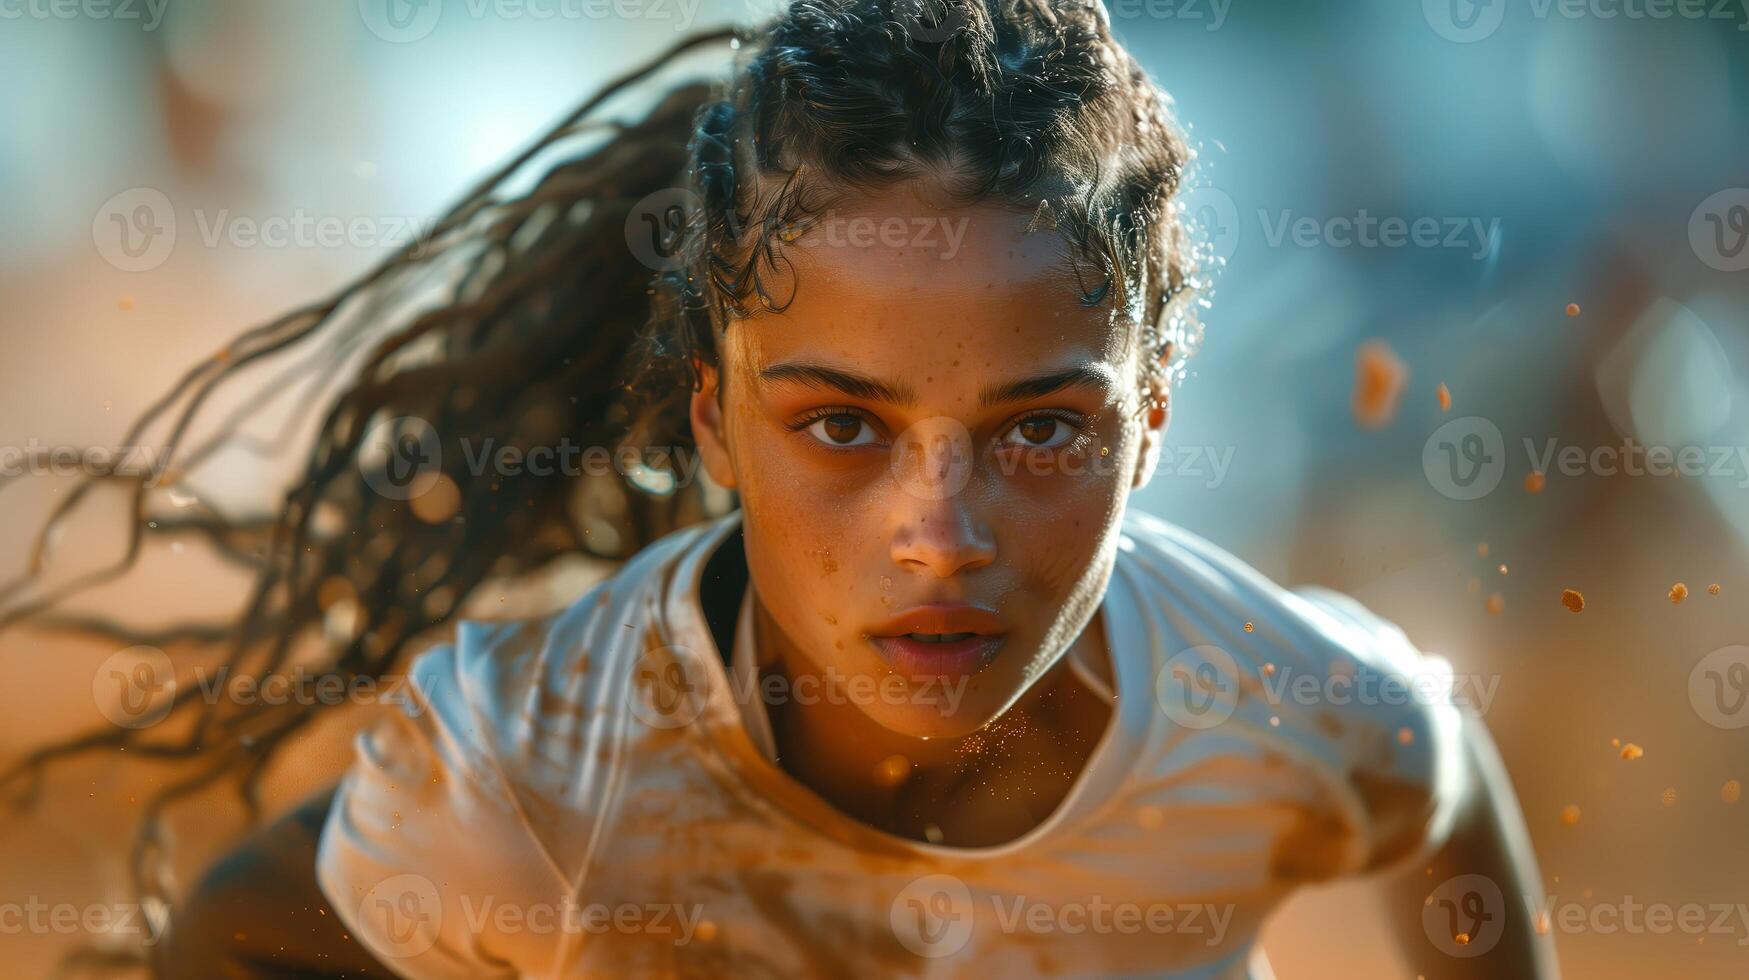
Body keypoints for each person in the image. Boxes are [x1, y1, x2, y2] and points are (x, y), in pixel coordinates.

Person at [24, 0, 1555, 976]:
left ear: (1147, 424)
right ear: (713, 423)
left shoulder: (1276, 704)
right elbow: (239, 945)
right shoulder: (529, 780)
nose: (936, 534)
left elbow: (1435, 782)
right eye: (838, 429)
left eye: (1037, 434)